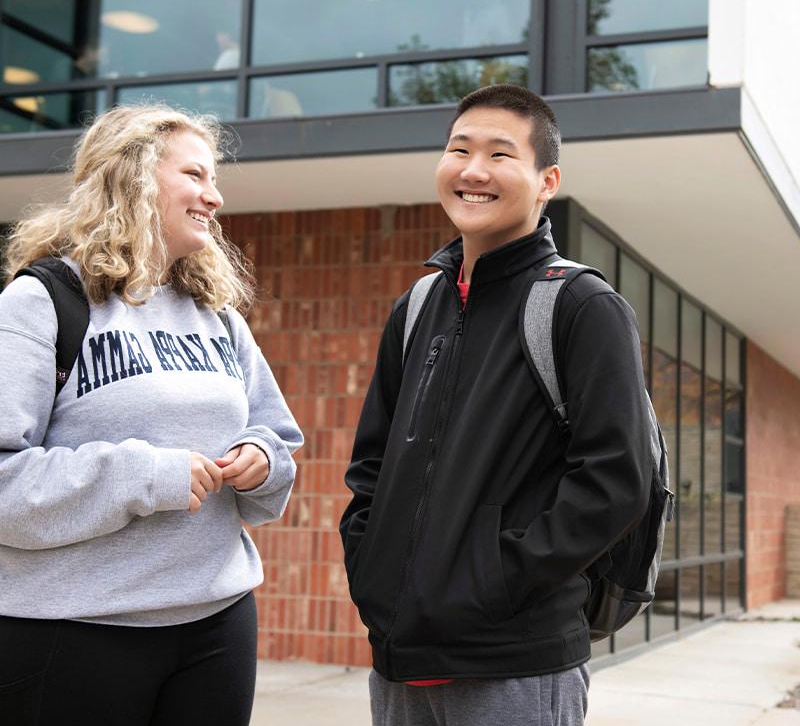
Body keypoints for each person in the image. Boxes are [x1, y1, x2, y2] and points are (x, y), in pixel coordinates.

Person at [339, 84, 652, 725]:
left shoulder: (581, 307)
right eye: (459, 149)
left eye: (501, 155)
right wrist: (370, 569)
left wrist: (495, 579)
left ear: (546, 181)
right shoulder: (417, 307)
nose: (473, 171)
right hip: (399, 657)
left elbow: (618, 481)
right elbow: (371, 467)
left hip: (514, 661)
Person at [0, 105, 303, 725]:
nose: (213, 197)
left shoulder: (215, 314)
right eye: (195, 175)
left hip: (217, 622)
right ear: (133, 175)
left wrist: (262, 459)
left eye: (213, 179)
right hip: (74, 631)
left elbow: (276, 433)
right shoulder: (42, 302)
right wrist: (146, 476)